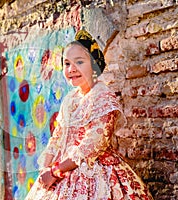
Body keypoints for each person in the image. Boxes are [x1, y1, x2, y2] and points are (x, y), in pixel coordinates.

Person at [25, 30, 153, 200]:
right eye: (67, 64)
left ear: (94, 65)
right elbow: (57, 138)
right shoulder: (70, 100)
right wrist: (46, 169)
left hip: (95, 170)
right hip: (62, 170)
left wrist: (56, 171)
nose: (71, 69)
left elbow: (92, 145)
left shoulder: (102, 96)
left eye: (79, 62)